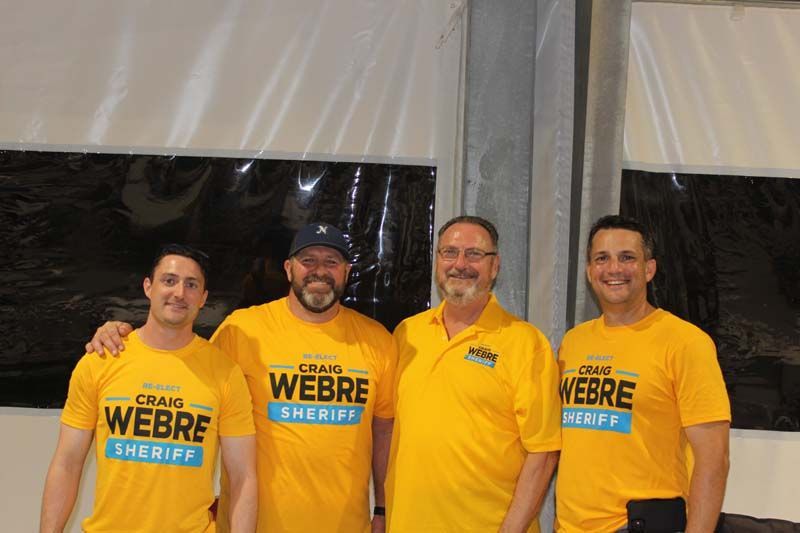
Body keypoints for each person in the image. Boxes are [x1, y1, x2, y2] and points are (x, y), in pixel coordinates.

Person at [85, 224, 396, 533]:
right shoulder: (242, 330)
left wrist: (381, 508)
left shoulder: (376, 341)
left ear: (347, 271)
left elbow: (383, 432)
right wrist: (120, 333)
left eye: (331, 262)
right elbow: (179, 360)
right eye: (308, 260)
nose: (319, 270)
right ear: (288, 269)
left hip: (345, 526)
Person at [40, 244, 257, 533]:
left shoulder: (225, 373)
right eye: (169, 281)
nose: (179, 292)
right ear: (148, 287)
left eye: (191, 285)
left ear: (203, 298)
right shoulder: (102, 359)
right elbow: (67, 463)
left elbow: (243, 476)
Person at [386, 215, 562, 533]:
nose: (460, 264)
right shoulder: (407, 334)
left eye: (475, 254)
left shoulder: (525, 343)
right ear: (437, 261)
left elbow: (544, 451)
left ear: (495, 267)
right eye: (449, 252)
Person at [555, 215, 731, 532]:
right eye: (602, 258)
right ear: (589, 271)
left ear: (649, 269)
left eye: (627, 258)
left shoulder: (686, 343)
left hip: (641, 524)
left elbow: (713, 459)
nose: (614, 269)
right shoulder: (574, 342)